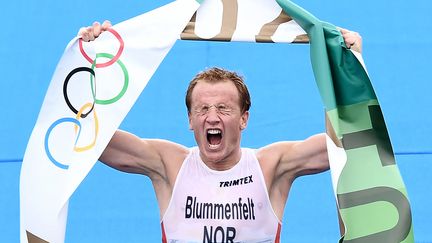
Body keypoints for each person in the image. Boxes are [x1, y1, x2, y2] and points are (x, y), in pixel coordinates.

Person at [79, 21, 362, 242]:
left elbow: (348, 145)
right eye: (202, 109)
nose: (211, 117)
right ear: (190, 119)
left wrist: (349, 68)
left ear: (244, 119)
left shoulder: (271, 166)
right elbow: (90, 138)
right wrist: (91, 63)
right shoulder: (169, 164)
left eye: (224, 109)